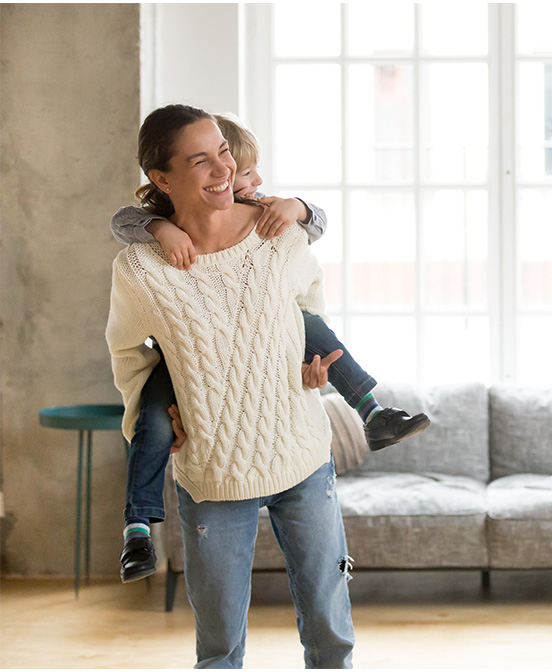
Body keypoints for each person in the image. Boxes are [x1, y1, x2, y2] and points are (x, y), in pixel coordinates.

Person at [110, 113, 429, 584]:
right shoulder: (146, 252)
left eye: (230, 160)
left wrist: (297, 206)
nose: (248, 180)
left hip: (295, 439)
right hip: (180, 370)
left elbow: (314, 237)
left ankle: (372, 412)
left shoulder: (267, 219)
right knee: (153, 419)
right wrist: (161, 227)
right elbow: (124, 222)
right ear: (166, 179)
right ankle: (137, 527)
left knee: (310, 325)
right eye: (239, 170)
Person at [107, 104, 354, 667]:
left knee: (330, 628)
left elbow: (308, 308)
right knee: (219, 646)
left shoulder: (280, 237)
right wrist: (151, 414)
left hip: (301, 452)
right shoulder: (140, 269)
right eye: (201, 160)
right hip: (212, 469)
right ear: (162, 179)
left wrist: (308, 364)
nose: (223, 168)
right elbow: (127, 352)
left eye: (223, 150)